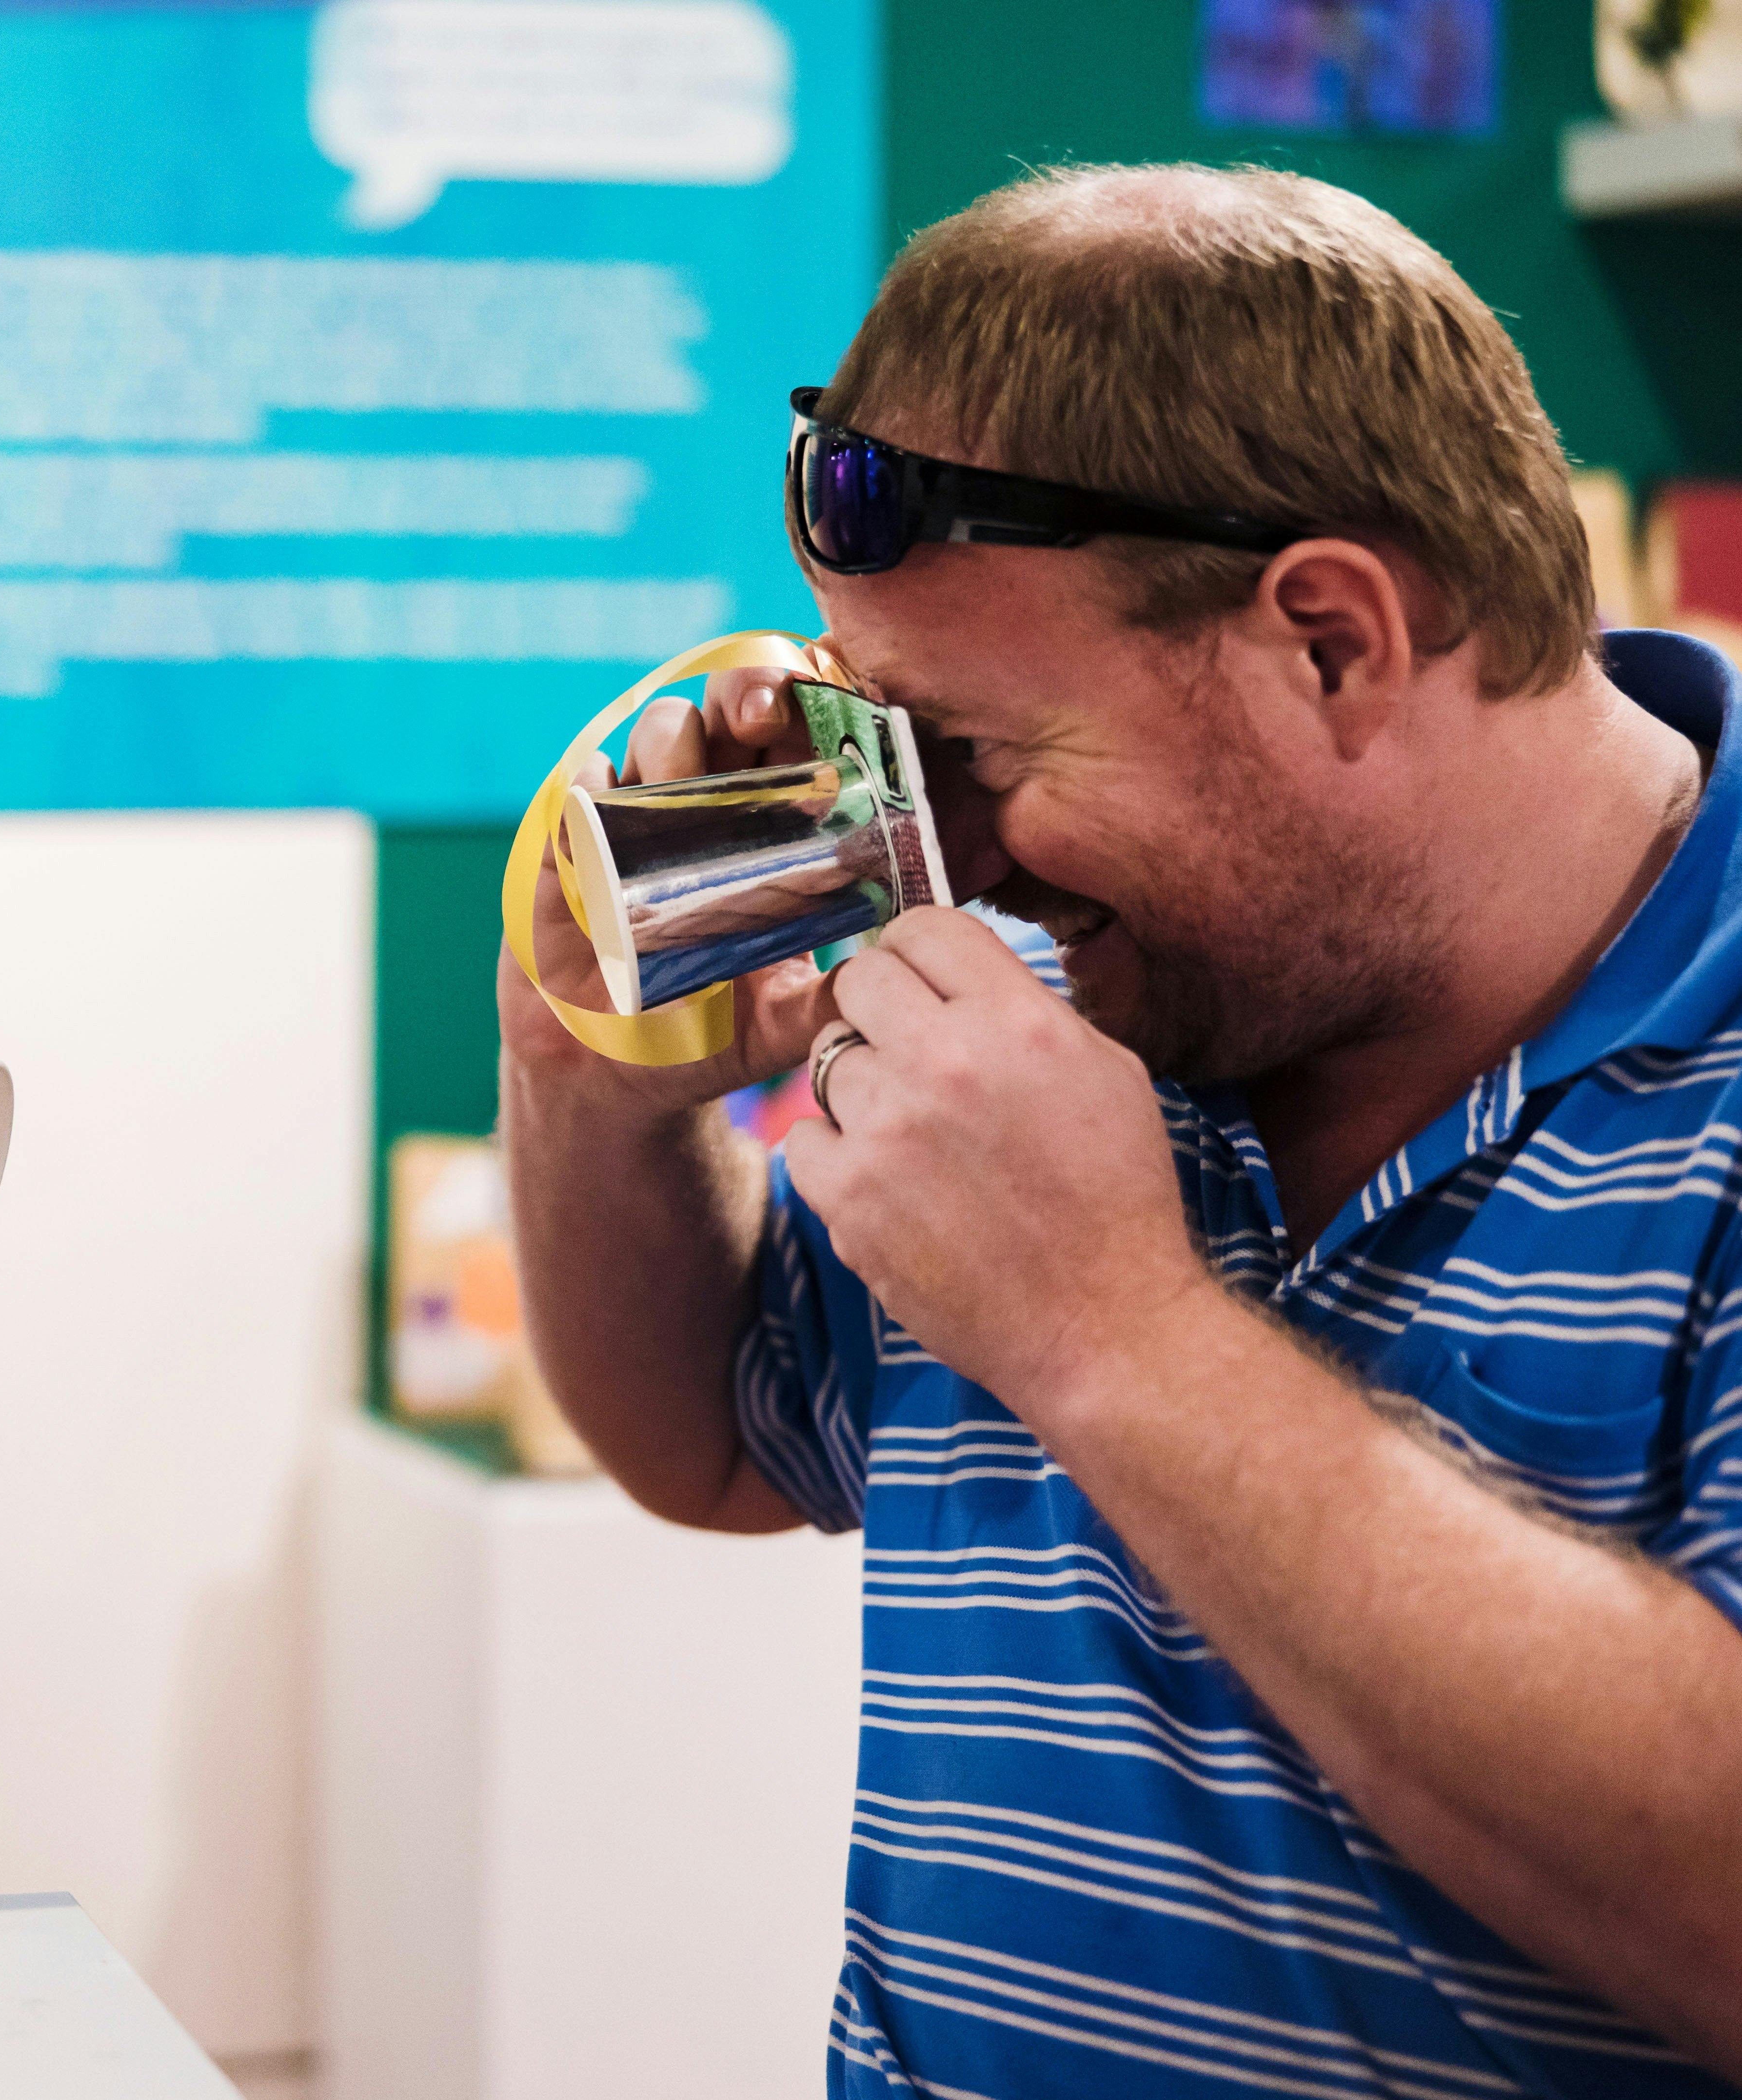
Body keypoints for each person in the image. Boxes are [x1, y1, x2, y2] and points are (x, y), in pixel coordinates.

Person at [503, 164, 1742, 2095]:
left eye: (980, 757)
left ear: (1328, 639)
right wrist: (591, 1077)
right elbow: (723, 1449)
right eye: (890, 758)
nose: (945, 858)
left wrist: (1113, 1339)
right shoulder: (1112, 983)